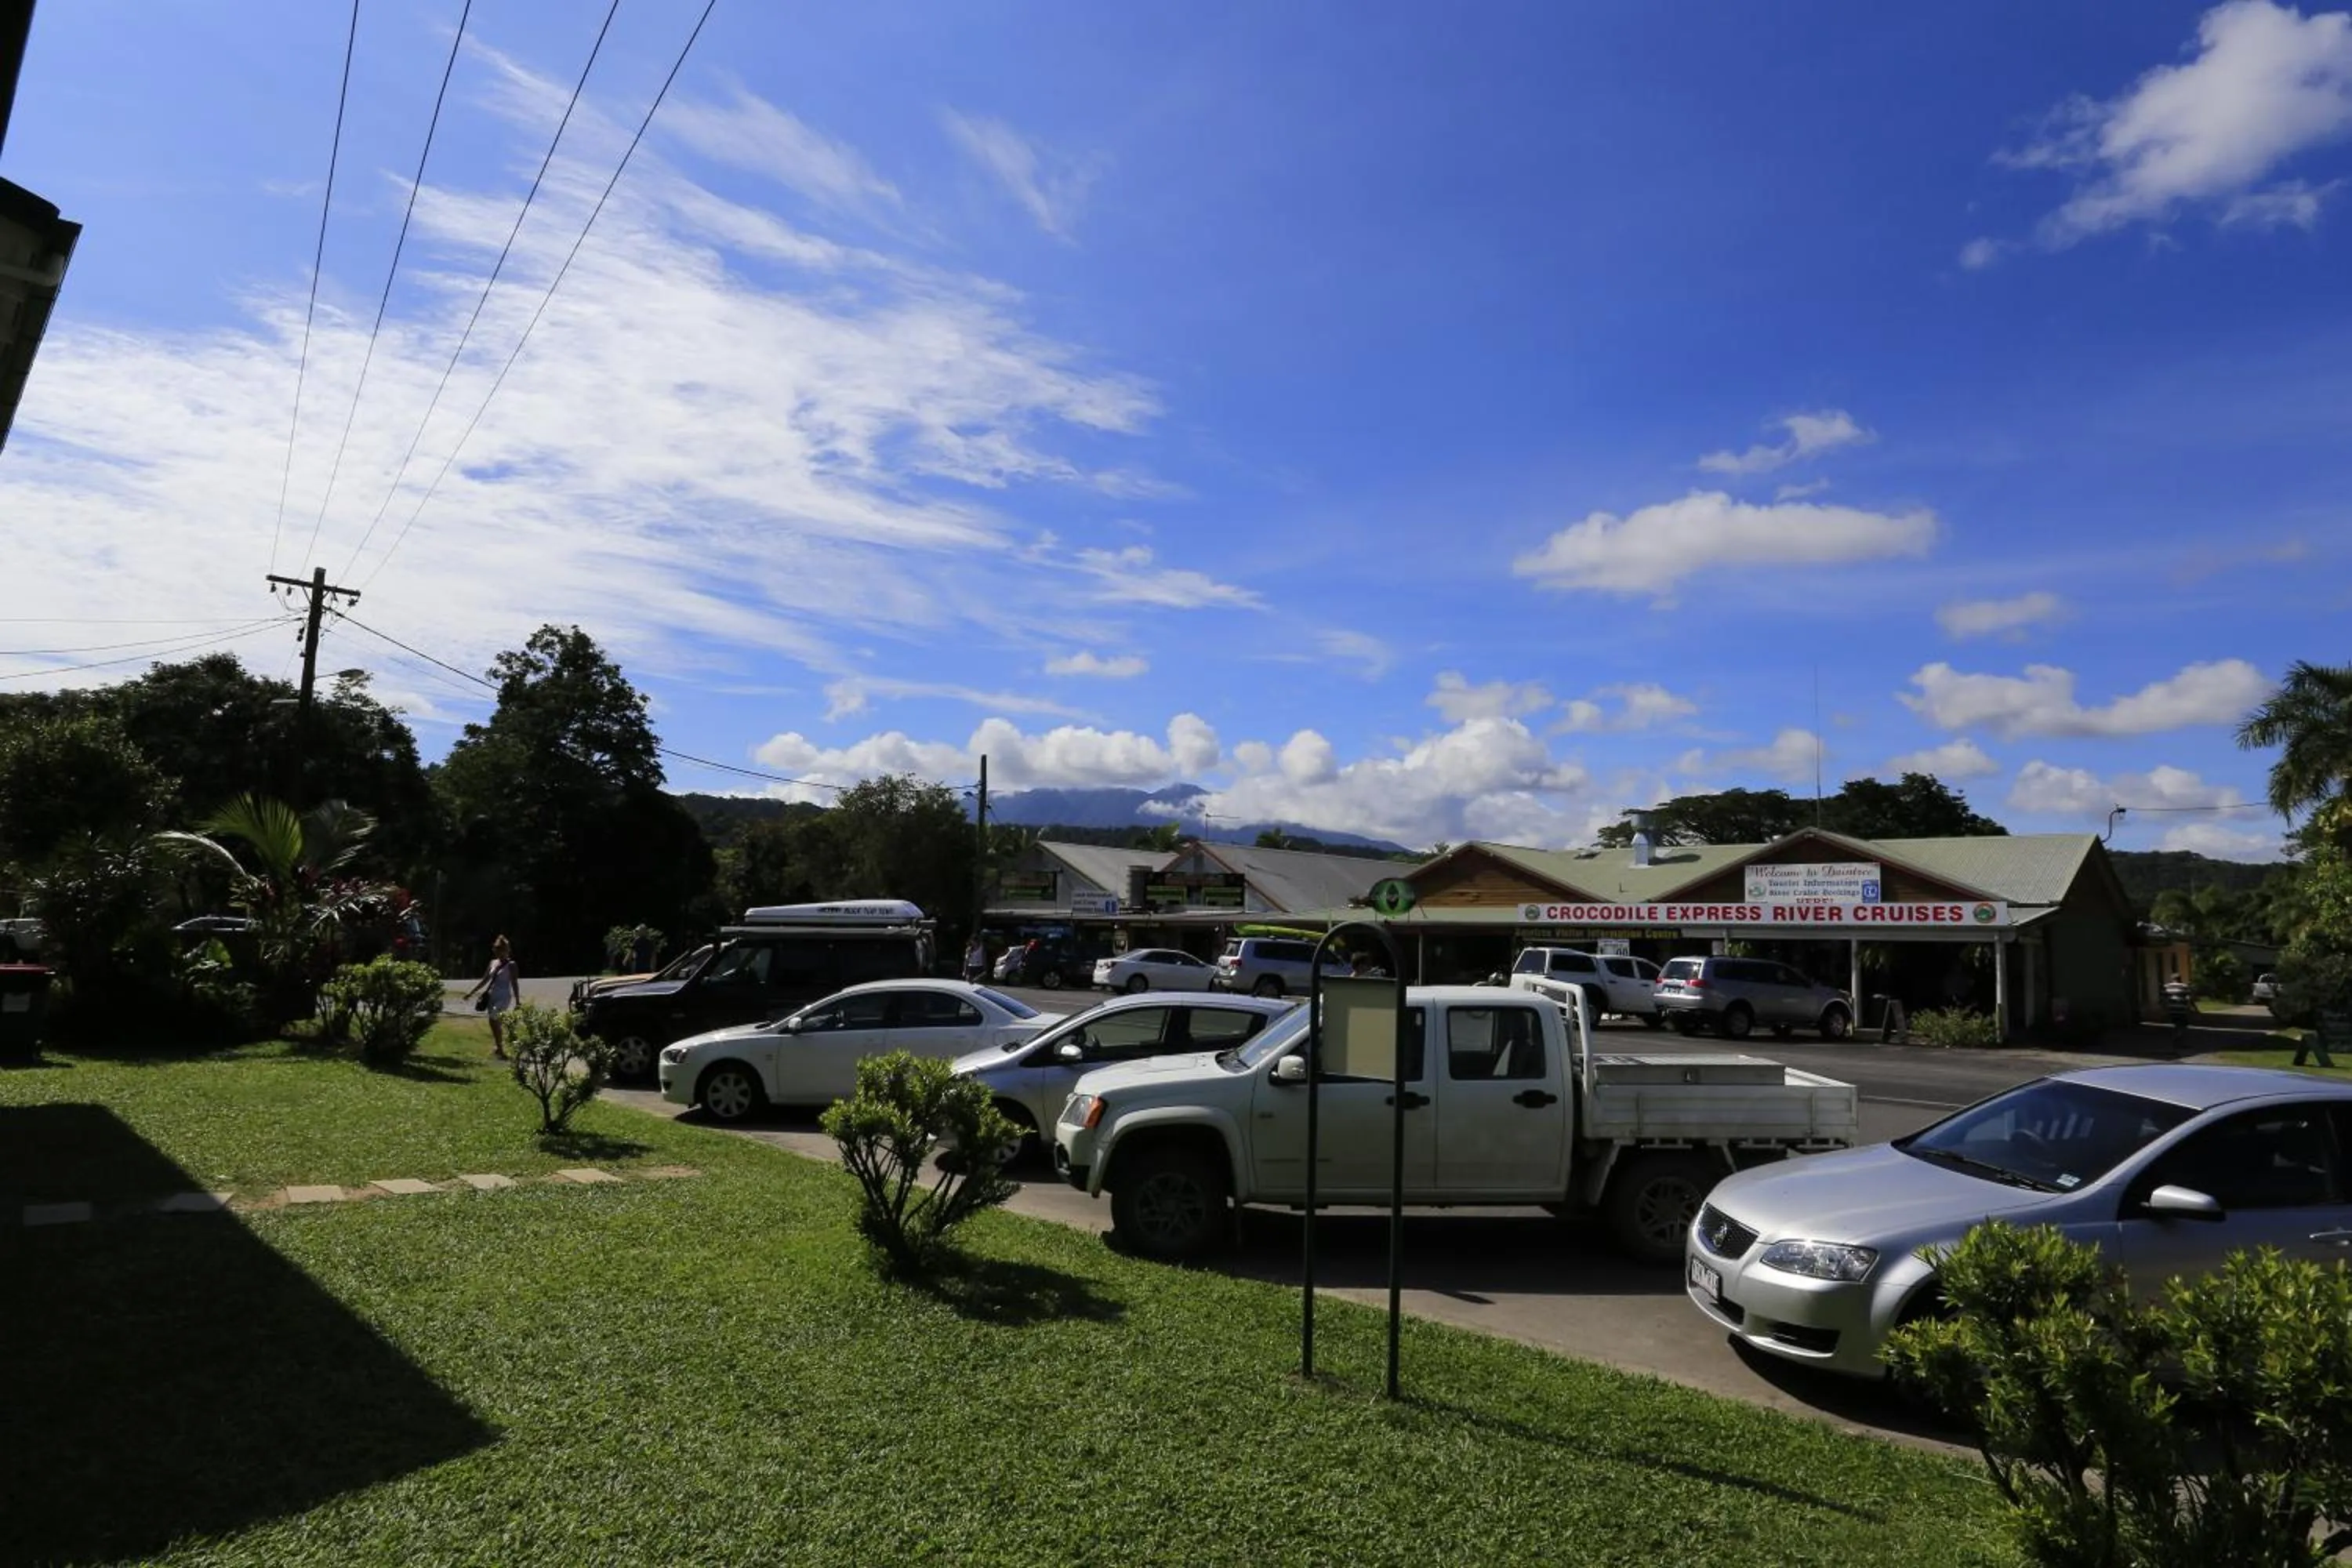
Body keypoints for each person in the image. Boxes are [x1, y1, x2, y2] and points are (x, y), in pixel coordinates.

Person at [466, 936, 521, 1059]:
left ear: (507, 950)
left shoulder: (511, 965)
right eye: (497, 950)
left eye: (502, 950)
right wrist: (471, 993)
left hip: (503, 996)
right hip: (492, 995)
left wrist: (518, 1001)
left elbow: (514, 983)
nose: (500, 952)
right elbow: (485, 980)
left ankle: (500, 1048)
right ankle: (499, 1046)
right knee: (493, 1021)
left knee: (494, 1018)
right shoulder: (493, 963)